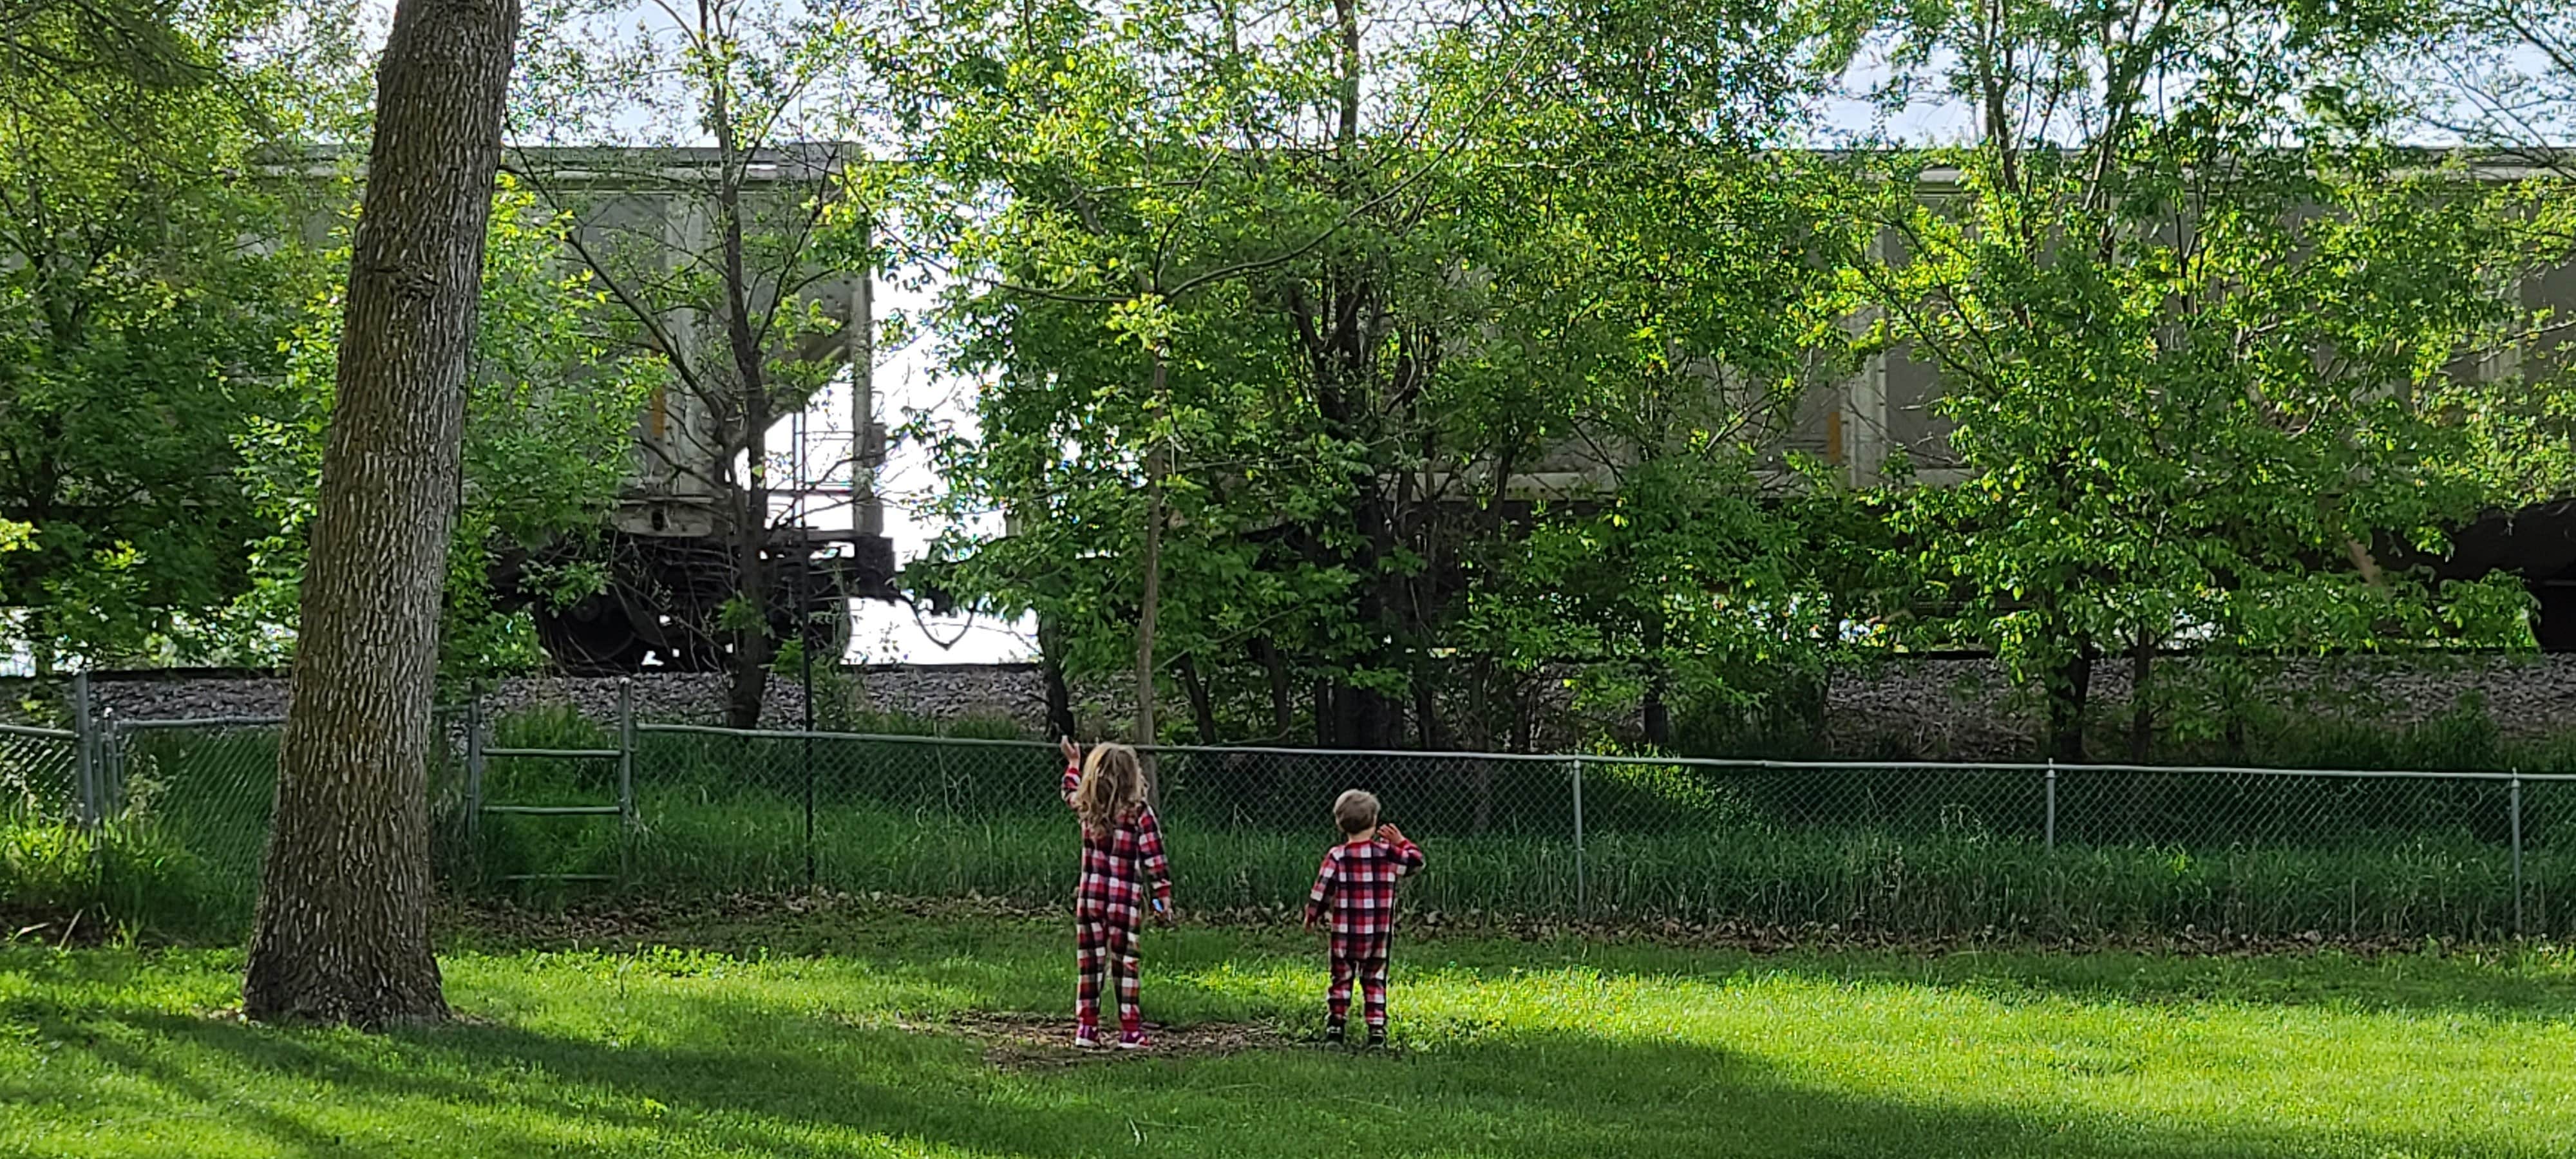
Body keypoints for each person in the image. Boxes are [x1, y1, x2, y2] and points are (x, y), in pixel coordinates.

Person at [1060, 737, 1173, 1050]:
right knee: (1126, 963)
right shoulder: (1139, 812)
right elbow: (1155, 859)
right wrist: (1162, 899)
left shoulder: (1088, 807)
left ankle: (1087, 1029)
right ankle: (1130, 1031)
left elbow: (1068, 792)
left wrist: (1072, 763)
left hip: (1091, 898)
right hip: (1125, 903)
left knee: (1090, 963)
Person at [1303, 788, 1426, 1048]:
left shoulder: (1337, 855)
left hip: (1344, 934)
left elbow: (1322, 889)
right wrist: (1401, 841)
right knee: (1374, 978)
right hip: (1379, 935)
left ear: (1339, 823)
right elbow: (1416, 863)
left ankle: (1336, 1026)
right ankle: (1377, 1031)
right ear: (1374, 821)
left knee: (1341, 977)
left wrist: (1312, 915)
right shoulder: (1387, 853)